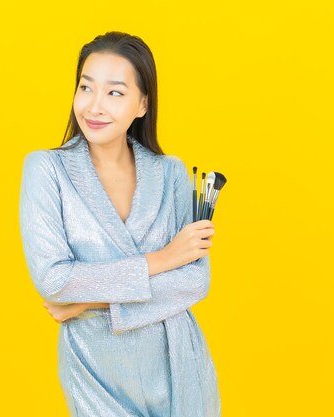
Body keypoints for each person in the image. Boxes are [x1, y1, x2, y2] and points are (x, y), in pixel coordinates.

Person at [18, 31, 221, 417]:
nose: (94, 106)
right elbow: (54, 280)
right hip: (95, 368)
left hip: (179, 364)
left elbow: (195, 281)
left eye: (115, 93)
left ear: (143, 104)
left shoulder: (172, 174)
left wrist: (91, 300)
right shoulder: (47, 170)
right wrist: (162, 259)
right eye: (85, 88)